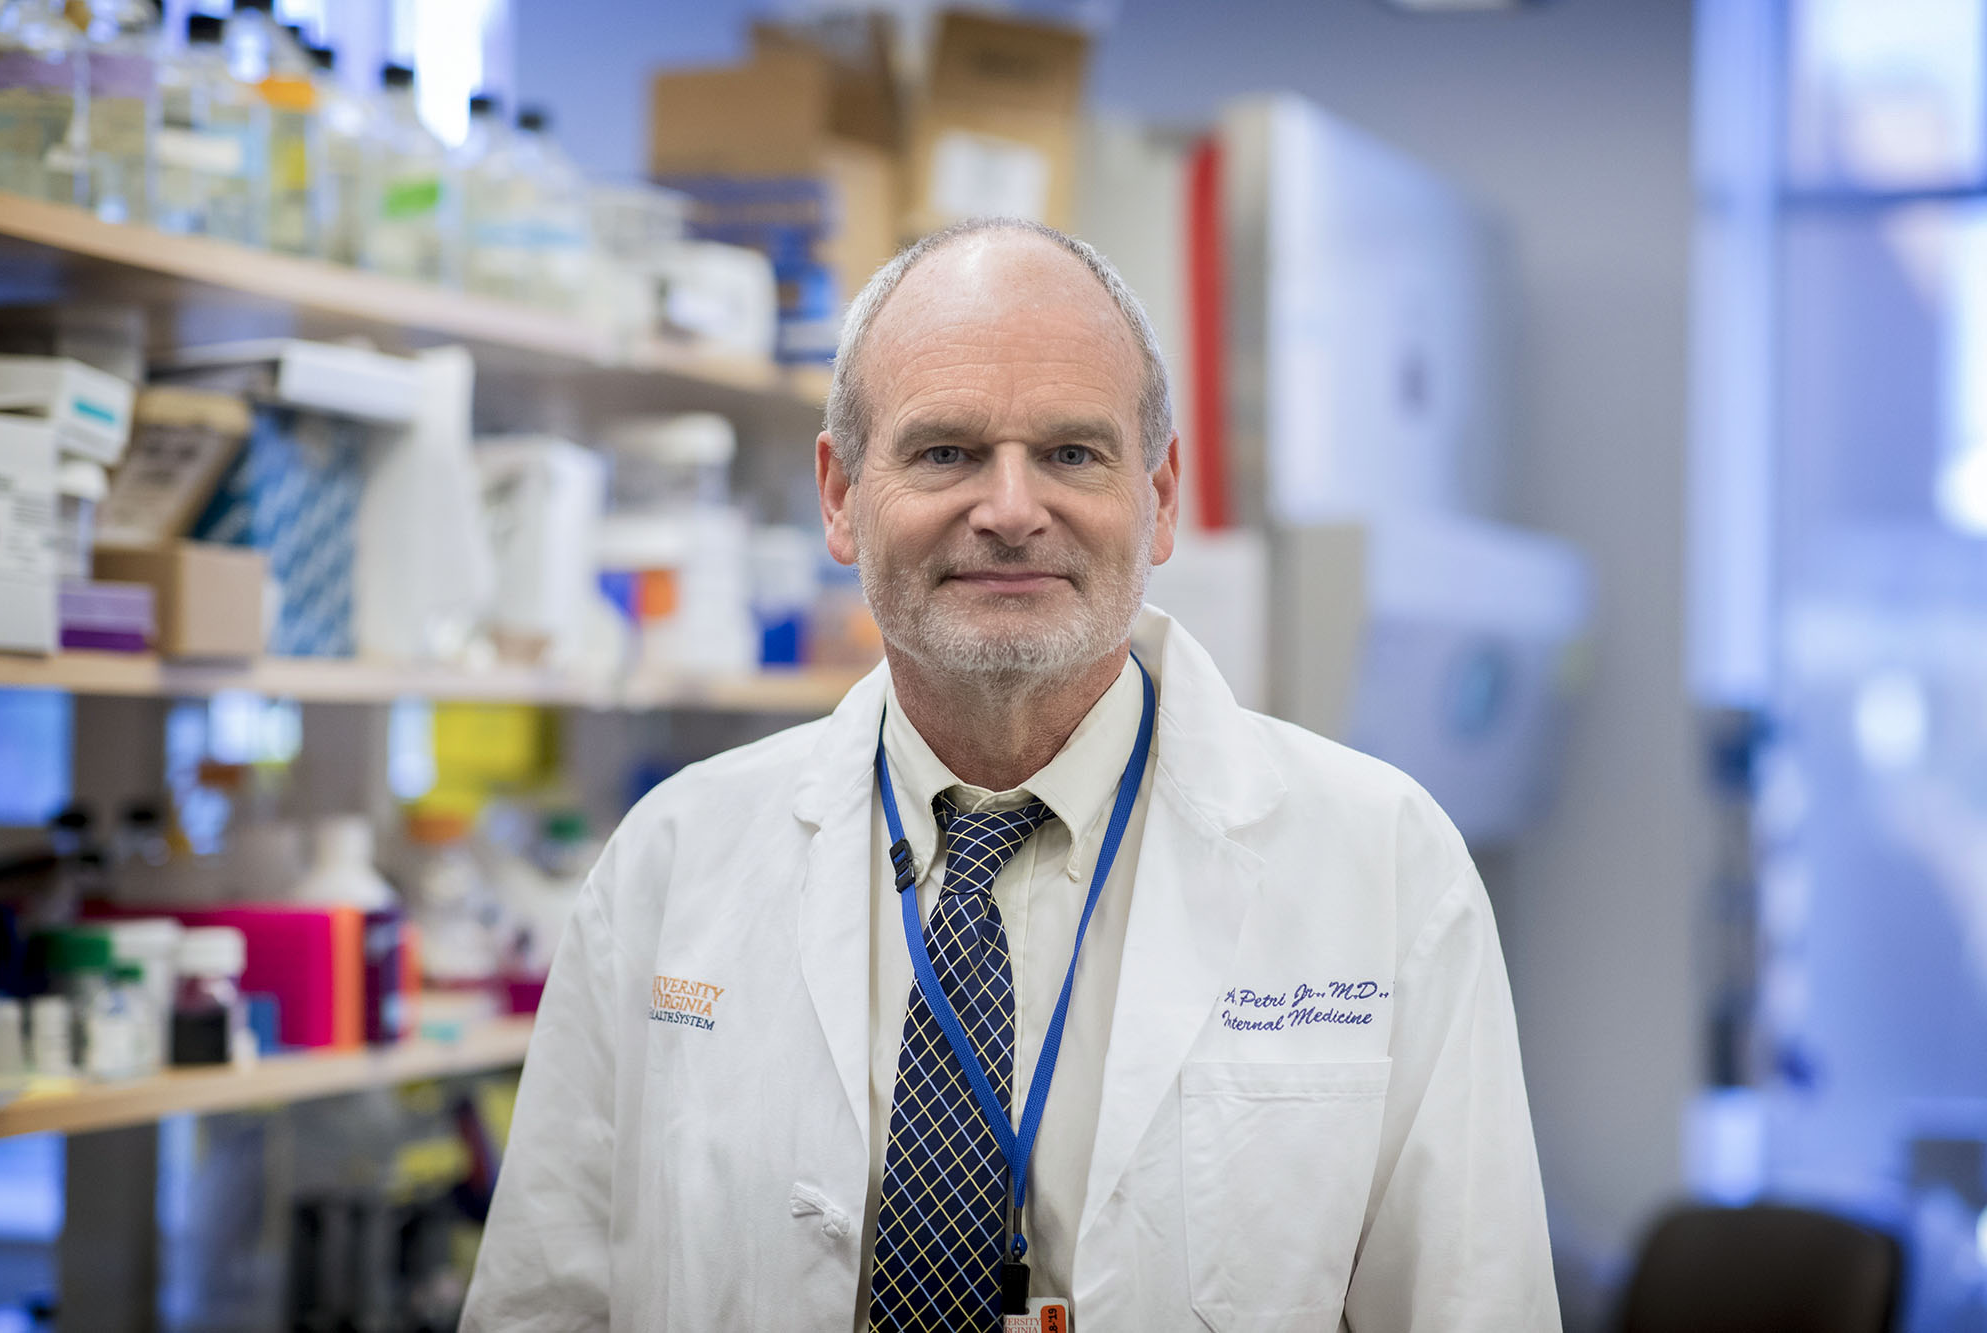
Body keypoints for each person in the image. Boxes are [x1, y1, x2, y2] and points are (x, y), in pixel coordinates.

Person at [461, 218, 1559, 1332]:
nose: (1010, 509)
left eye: (1072, 453)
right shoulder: (673, 858)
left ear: (1160, 495)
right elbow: (541, 1303)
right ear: (840, 494)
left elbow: (1473, 1303)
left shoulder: (1379, 863)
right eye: (944, 452)